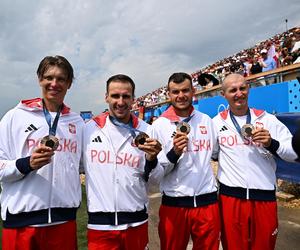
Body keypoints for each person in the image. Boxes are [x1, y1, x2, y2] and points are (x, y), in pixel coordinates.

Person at [0, 55, 84, 249]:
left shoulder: (77, 123)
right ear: (40, 79)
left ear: (69, 83)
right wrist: (26, 164)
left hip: (63, 222)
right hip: (21, 223)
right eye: (49, 77)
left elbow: (83, 165)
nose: (54, 83)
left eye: (61, 79)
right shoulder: (15, 117)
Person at [213, 73, 298, 250]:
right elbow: (210, 154)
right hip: (231, 199)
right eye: (233, 90)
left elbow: (293, 153)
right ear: (223, 94)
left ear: (248, 89)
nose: (239, 93)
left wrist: (271, 143)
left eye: (242, 88)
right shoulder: (215, 123)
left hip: (264, 198)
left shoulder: (267, 119)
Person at [83, 74, 162, 250]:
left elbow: (156, 180)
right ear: (106, 97)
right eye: (115, 96)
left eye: (126, 96)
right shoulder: (88, 130)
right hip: (100, 226)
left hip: (136, 222)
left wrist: (152, 159)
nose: (120, 101)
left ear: (133, 99)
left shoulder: (147, 130)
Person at [151, 72, 220, 250]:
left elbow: (216, 154)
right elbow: (155, 174)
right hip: (175, 205)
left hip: (207, 203)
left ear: (193, 91)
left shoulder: (206, 121)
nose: (180, 96)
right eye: (175, 92)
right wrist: (173, 153)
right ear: (169, 94)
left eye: (185, 90)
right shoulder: (159, 125)